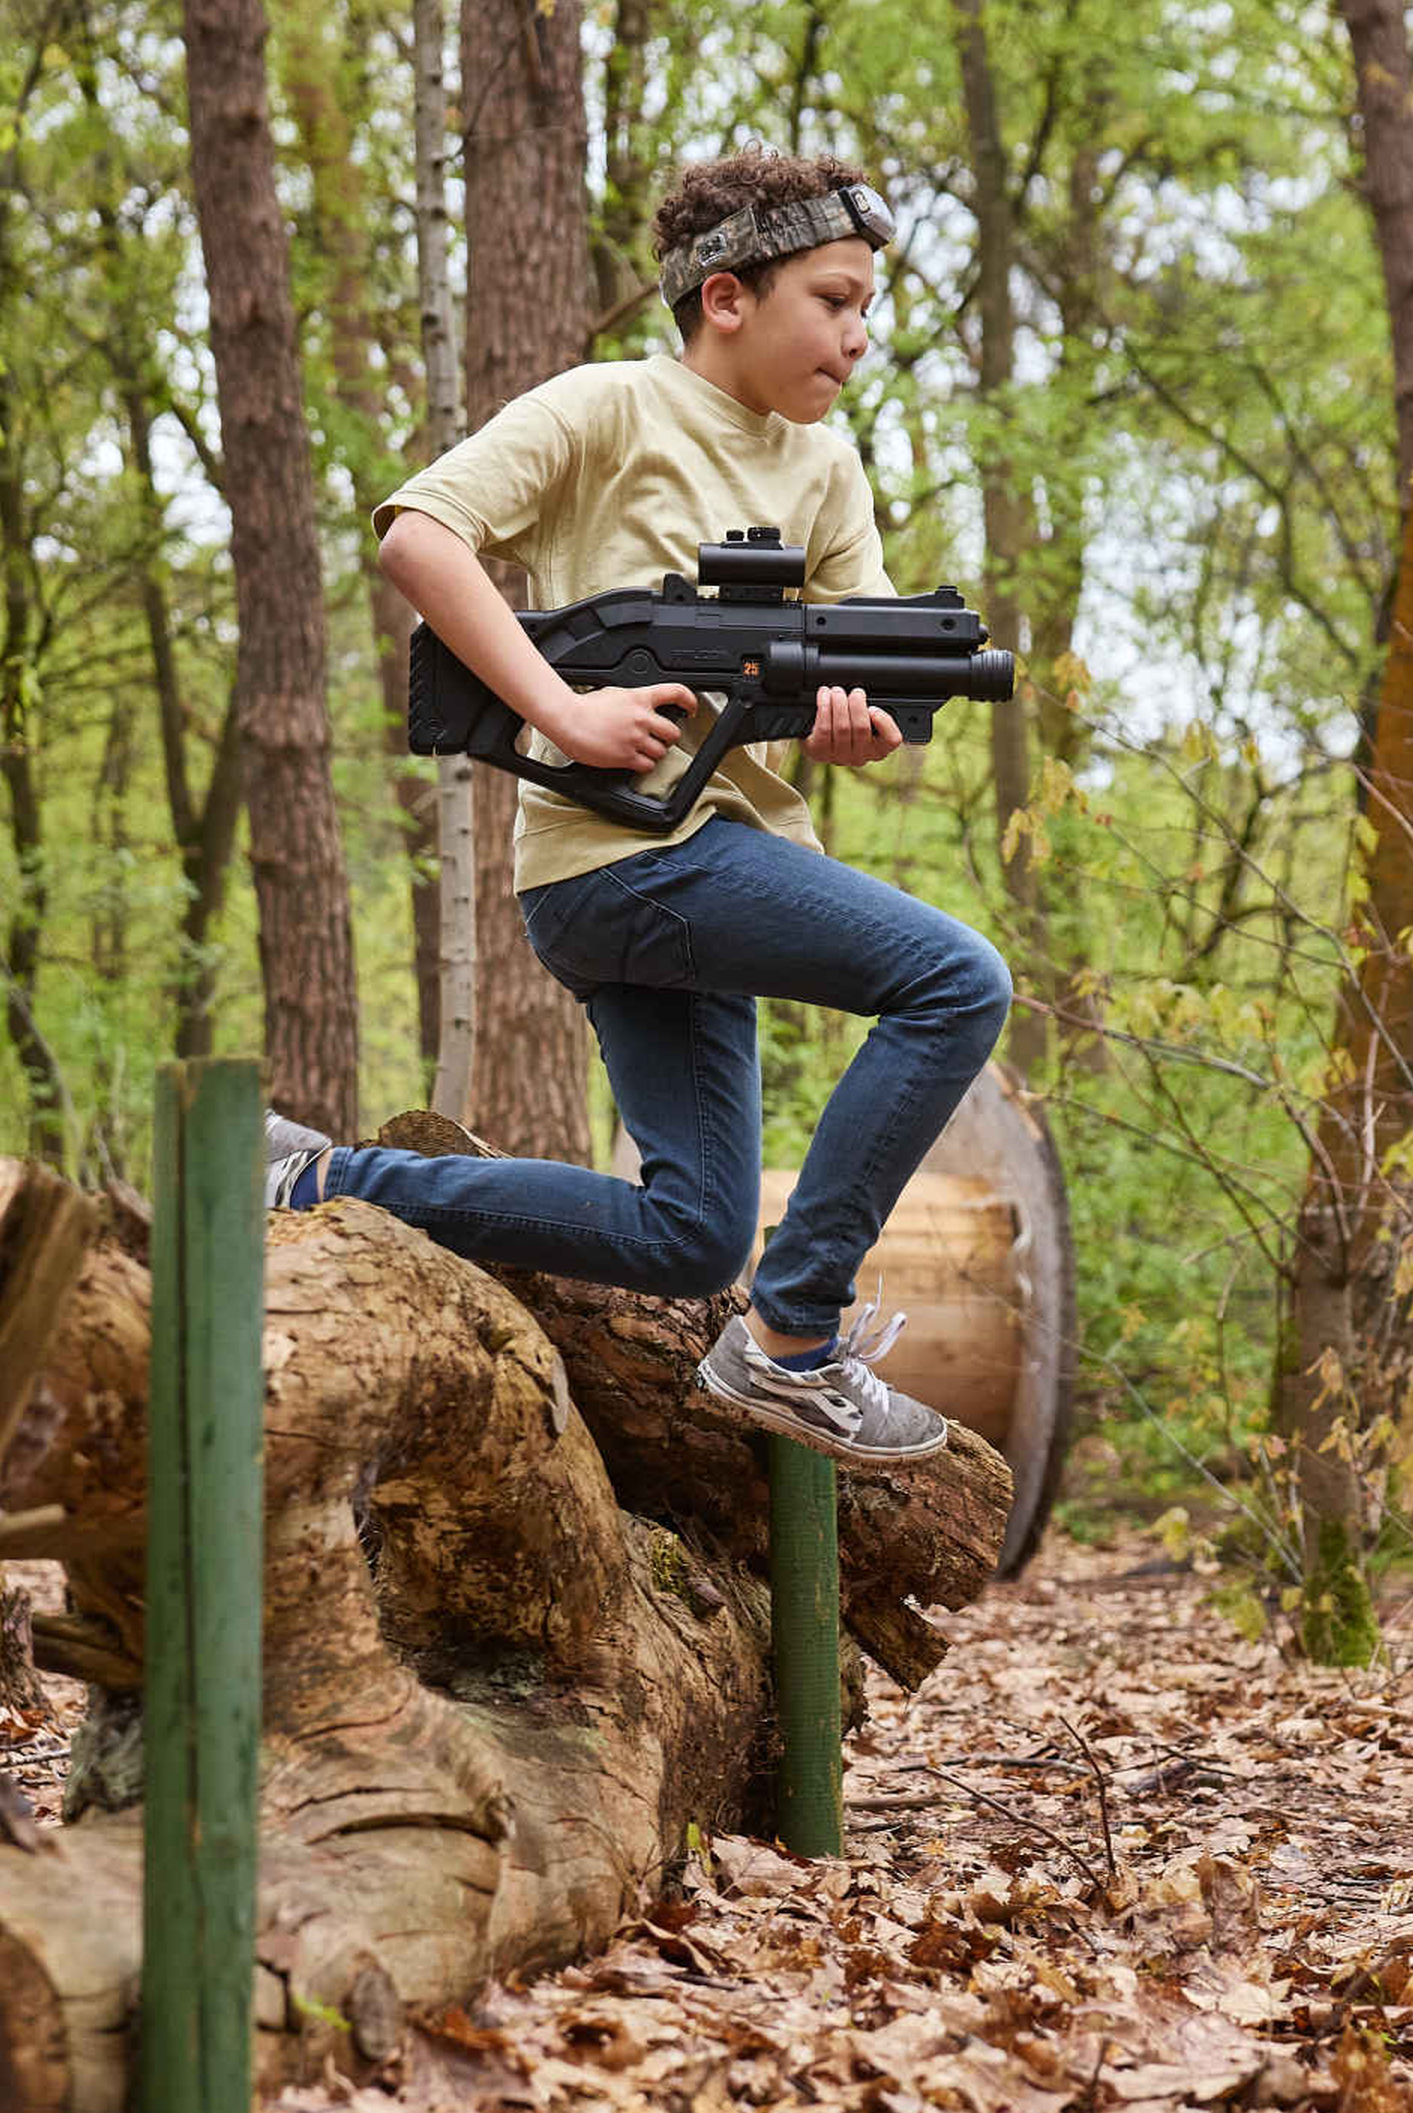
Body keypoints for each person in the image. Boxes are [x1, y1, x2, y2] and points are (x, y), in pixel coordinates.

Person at [267, 149, 1010, 1465]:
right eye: (834, 301)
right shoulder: (608, 407)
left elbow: (861, 683)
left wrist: (858, 730)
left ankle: (309, 1179)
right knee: (956, 981)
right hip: (621, 862)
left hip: (711, 873)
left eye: (867, 307)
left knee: (691, 1238)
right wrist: (563, 711)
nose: (859, 334)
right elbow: (418, 535)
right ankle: (795, 1339)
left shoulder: (828, 468)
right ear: (727, 298)